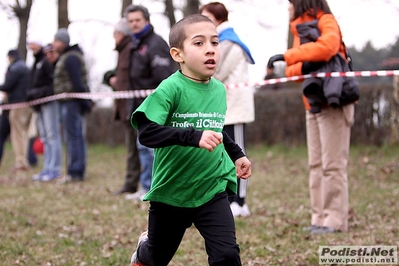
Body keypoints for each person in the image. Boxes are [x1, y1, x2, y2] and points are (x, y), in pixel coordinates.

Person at [129, 14, 252, 266]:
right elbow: (147, 132)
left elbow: (214, 128)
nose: (210, 49)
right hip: (172, 192)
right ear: (177, 54)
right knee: (156, 257)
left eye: (215, 43)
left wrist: (236, 153)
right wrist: (192, 136)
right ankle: (144, 250)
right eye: (199, 43)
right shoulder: (170, 88)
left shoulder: (218, 88)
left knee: (227, 255)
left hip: (211, 188)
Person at [267, 0, 355, 234]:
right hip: (312, 104)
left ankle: (335, 221)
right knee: (316, 165)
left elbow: (328, 46)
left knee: (333, 165)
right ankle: (319, 218)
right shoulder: (299, 30)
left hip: (334, 103)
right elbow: (292, 71)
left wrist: (293, 56)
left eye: (289, 3)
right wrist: (302, 62)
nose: (287, 8)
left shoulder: (326, 20)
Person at [200, 2, 255, 217]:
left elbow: (218, 71)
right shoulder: (220, 41)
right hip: (223, 108)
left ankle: (240, 202)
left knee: (239, 155)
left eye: (207, 17)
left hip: (236, 108)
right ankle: (230, 198)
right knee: (224, 155)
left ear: (218, 17)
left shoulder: (230, 42)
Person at [123, 5, 177, 200]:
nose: (134, 24)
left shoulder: (155, 44)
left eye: (137, 20)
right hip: (138, 104)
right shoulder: (135, 43)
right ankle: (146, 187)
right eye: (130, 21)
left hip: (155, 105)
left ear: (146, 20)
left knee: (154, 150)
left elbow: (164, 77)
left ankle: (159, 188)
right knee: (142, 147)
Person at [106, 18, 142, 196]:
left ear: (120, 34)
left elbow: (130, 78)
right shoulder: (123, 50)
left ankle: (138, 184)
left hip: (132, 105)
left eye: (114, 34)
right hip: (125, 105)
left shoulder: (130, 49)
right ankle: (130, 183)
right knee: (131, 148)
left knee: (138, 148)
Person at [51, 28, 91, 184]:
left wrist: (84, 102)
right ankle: (76, 170)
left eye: (55, 41)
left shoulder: (70, 58)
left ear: (63, 42)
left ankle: (74, 172)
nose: (53, 44)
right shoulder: (67, 56)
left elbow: (77, 83)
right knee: (76, 137)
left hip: (72, 102)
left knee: (73, 137)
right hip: (70, 102)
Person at [26, 38, 63, 181]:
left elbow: (52, 84)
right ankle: (47, 168)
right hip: (39, 104)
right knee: (46, 138)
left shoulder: (49, 64)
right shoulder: (37, 62)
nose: (49, 55)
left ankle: (55, 169)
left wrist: (37, 93)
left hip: (49, 102)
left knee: (52, 136)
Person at [0, 49, 33, 173]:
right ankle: (24, 161)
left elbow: (8, 86)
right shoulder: (25, 68)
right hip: (28, 104)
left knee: (17, 134)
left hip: (17, 105)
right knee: (24, 134)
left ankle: (21, 163)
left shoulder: (15, 68)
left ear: (10, 57)